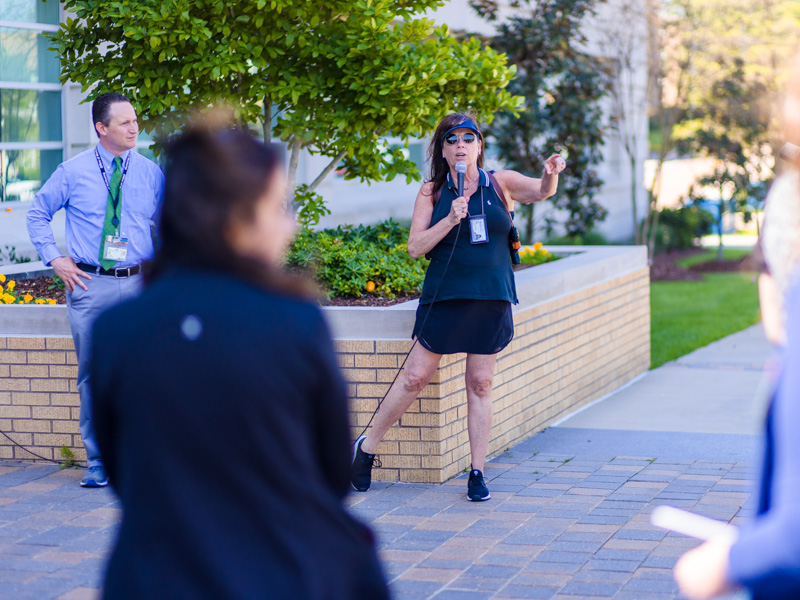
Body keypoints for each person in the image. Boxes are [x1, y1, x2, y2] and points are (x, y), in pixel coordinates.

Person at [90, 116, 390, 599]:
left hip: (151, 575)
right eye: (278, 207)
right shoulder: (294, 323)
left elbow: (121, 470)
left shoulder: (116, 331)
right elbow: (333, 470)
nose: (288, 226)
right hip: (276, 572)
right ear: (236, 217)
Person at [350, 112, 566, 501]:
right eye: (452, 139)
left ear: (480, 147)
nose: (461, 144)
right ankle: (365, 449)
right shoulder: (431, 192)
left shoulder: (500, 183)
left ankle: (477, 472)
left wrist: (550, 172)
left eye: (469, 138)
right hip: (445, 296)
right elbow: (416, 248)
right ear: (443, 150)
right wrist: (449, 219)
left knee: (480, 383)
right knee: (415, 377)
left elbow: (540, 191)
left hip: (490, 295)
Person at [26, 93, 164, 488]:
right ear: (101, 128)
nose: (134, 127)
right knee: (94, 376)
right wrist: (55, 258)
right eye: (124, 122)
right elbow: (37, 213)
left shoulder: (151, 172)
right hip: (90, 286)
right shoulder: (72, 172)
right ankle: (99, 460)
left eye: (135, 120)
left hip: (139, 285)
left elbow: (171, 224)